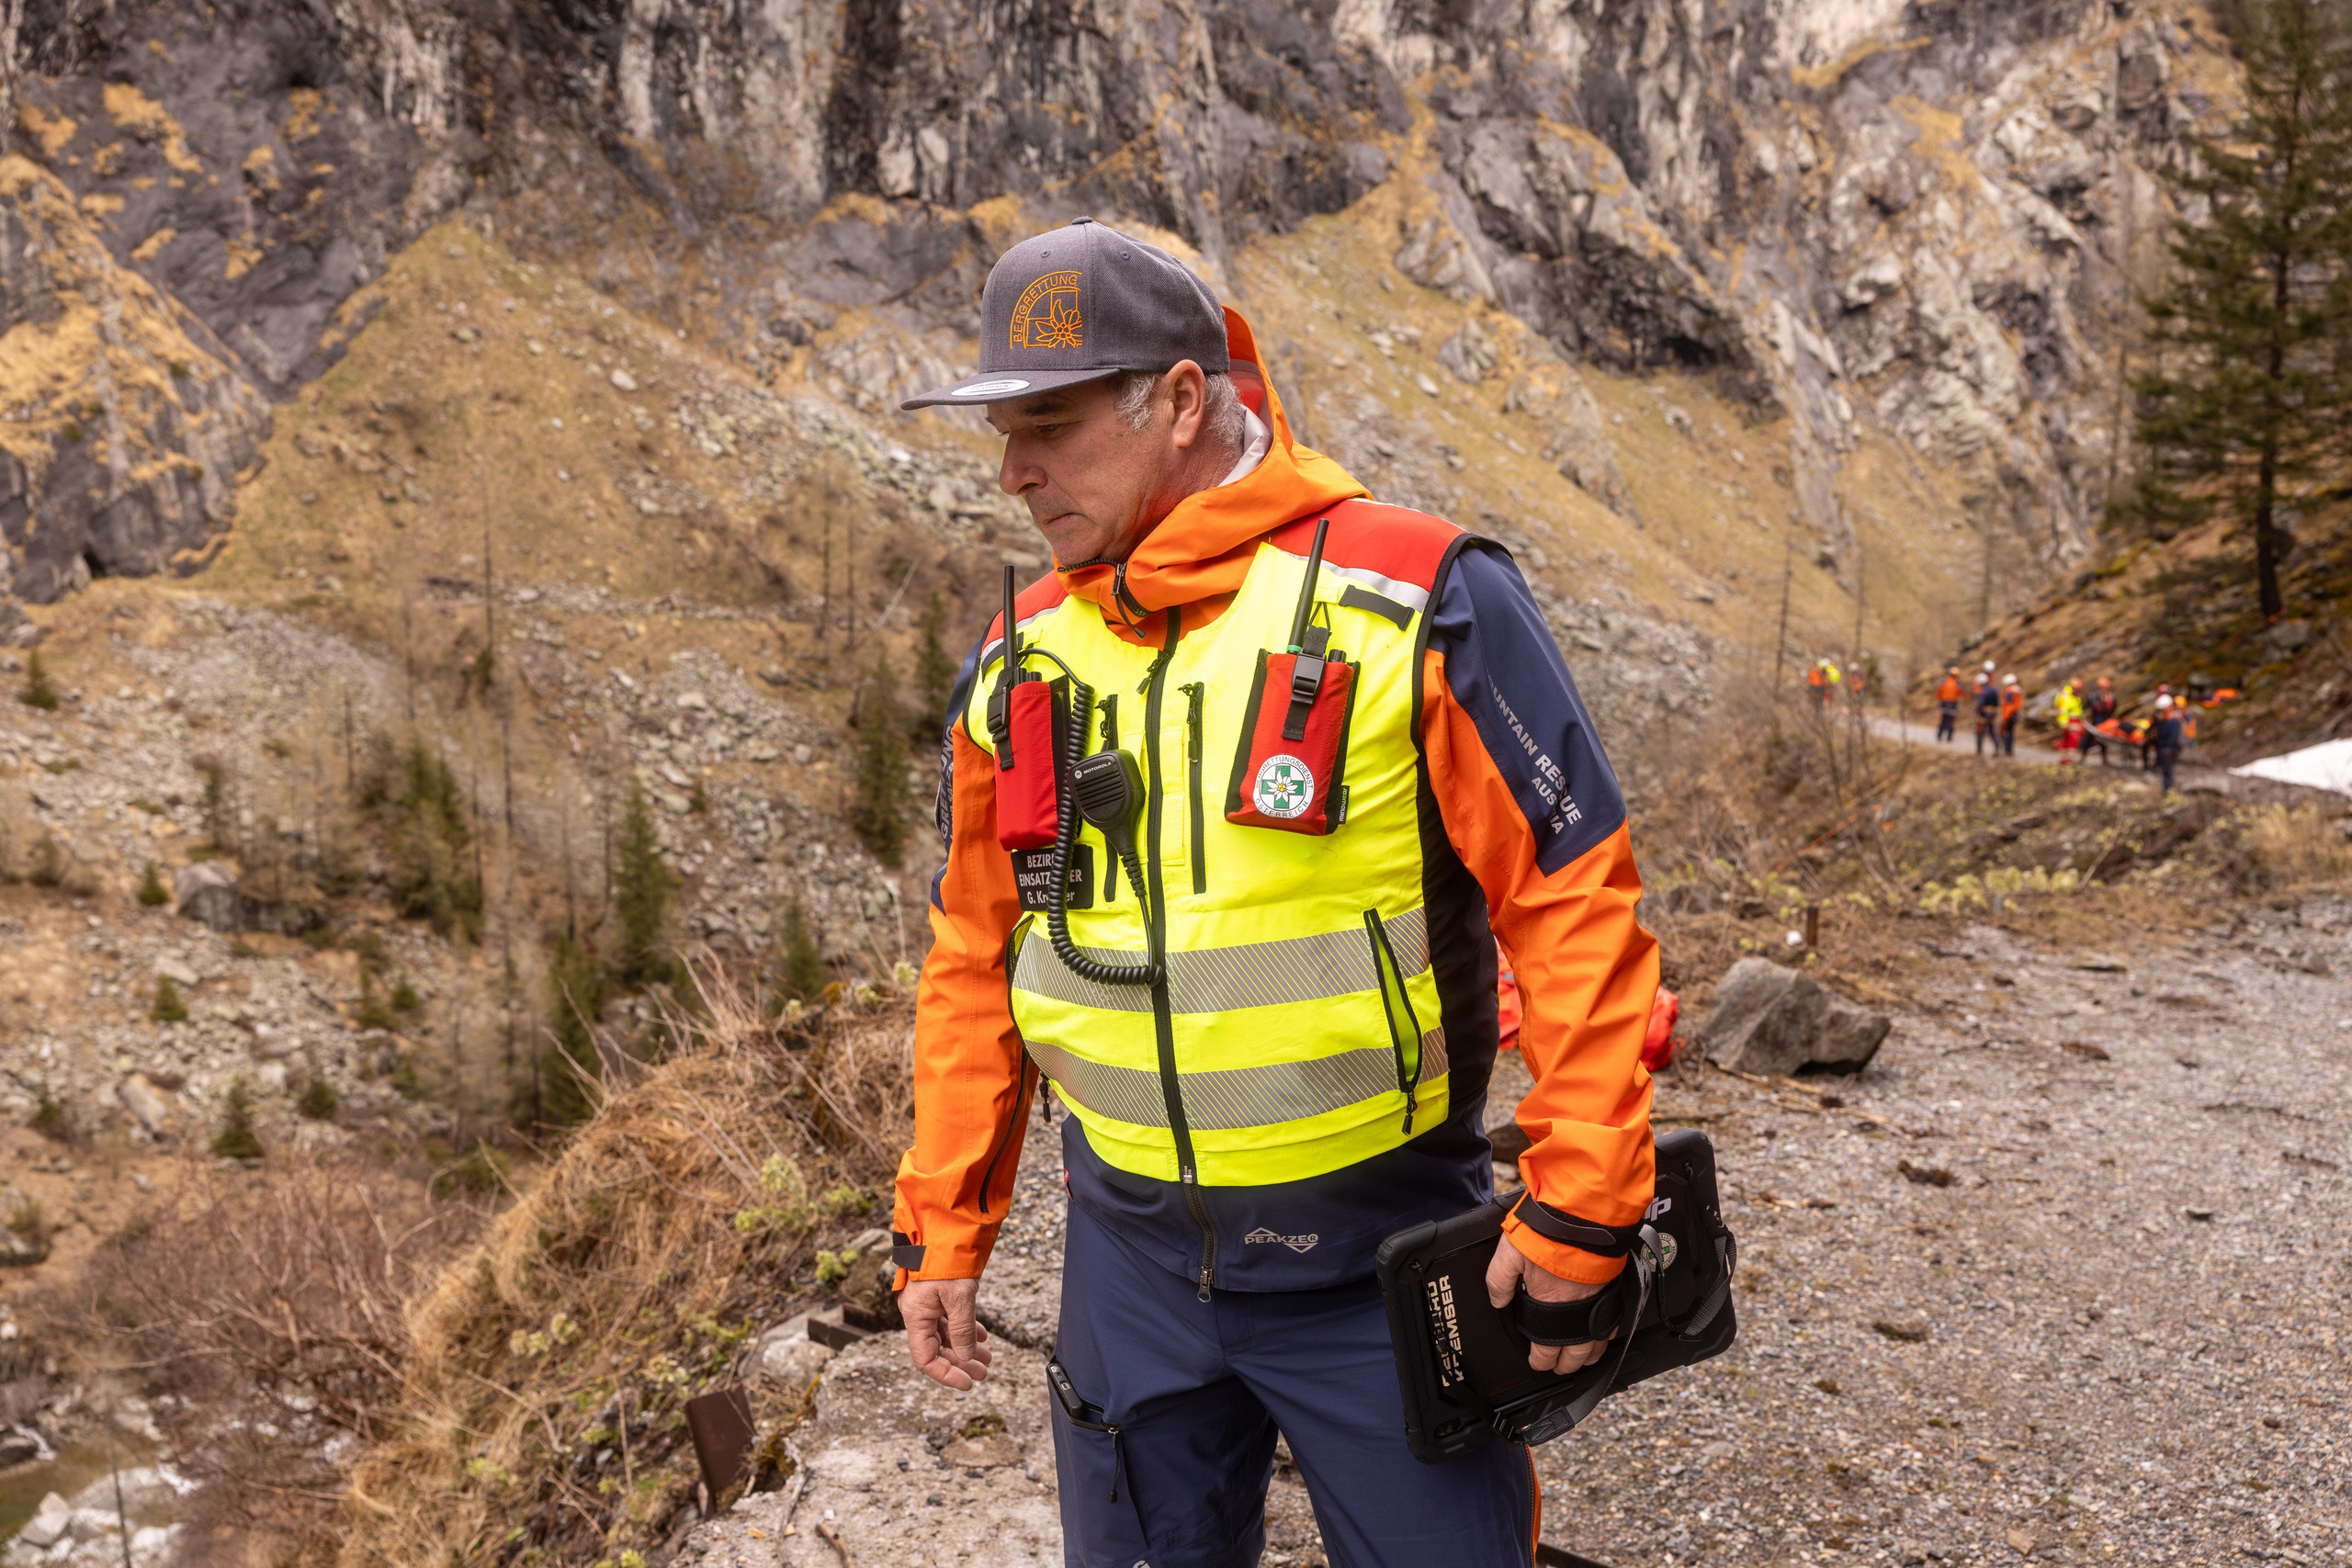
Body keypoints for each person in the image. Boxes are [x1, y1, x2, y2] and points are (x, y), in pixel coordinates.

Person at [892, 220, 1657, 1567]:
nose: (1013, 474)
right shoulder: (1019, 665)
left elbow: (1576, 902)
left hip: (1381, 1259)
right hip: (1124, 1265)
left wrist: (1584, 1198)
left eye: (1051, 426)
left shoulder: (1419, 596)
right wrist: (944, 1224)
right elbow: (975, 956)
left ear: (1183, 400)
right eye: (1002, 433)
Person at [2153, 695, 2184, 793]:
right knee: (2164, 770)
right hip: (2163, 747)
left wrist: (2169, 749)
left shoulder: (2174, 719)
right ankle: (2167, 789)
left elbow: (2174, 736)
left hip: (2169, 749)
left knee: (2168, 770)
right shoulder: (2163, 719)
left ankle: (2168, 790)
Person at [2085, 677, 2117, 766]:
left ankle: (2104, 759)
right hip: (2096, 720)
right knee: (2089, 738)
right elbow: (2087, 706)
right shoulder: (2093, 696)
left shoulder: (2111, 696)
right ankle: (2083, 757)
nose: (2103, 689)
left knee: (2104, 741)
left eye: (2105, 687)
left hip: (2106, 722)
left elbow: (2114, 708)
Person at [2052, 680, 2084, 766]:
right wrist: (2064, 723)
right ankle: (2067, 759)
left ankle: (2067, 759)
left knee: (2071, 740)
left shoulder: (2074, 696)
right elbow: (2061, 710)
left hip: (2076, 720)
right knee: (2072, 740)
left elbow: (2078, 710)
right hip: (2070, 721)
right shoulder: (2066, 696)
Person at [1973, 670, 1999, 756]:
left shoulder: (1983, 691)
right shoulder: (1994, 689)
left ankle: (1979, 750)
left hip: (1984, 714)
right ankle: (1997, 747)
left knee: (1980, 731)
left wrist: (1977, 710)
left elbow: (1981, 703)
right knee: (1992, 731)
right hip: (1992, 713)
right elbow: (1997, 703)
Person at [1934, 666, 1962, 743]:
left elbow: (1938, 692)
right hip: (1953, 703)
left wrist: (1941, 699)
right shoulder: (1957, 683)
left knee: (1944, 719)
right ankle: (1949, 737)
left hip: (1944, 703)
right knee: (1951, 720)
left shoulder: (1944, 682)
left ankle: (1939, 735)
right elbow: (1961, 692)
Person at [1997, 674, 2023, 757]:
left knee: (2006, 733)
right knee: (2011, 733)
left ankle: (2007, 750)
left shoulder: (2009, 691)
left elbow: (2009, 706)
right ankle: (2010, 750)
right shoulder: (2017, 690)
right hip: (2015, 715)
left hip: (2009, 715)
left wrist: (2005, 718)